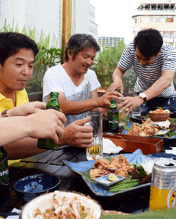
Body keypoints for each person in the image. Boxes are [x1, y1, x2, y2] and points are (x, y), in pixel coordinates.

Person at [0, 32, 93, 160]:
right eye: (19, 65)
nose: (26, 72)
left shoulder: (21, 92)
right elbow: (5, 148)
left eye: (31, 66)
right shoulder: (54, 74)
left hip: (29, 164)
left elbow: (25, 137)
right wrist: (60, 137)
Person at [43, 34, 121, 126]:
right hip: (58, 135)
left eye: (92, 58)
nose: (89, 62)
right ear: (70, 53)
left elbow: (93, 108)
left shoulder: (90, 75)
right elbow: (61, 106)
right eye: (85, 57)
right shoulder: (53, 74)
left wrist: (105, 110)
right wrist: (99, 101)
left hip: (84, 133)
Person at [107, 28, 176, 116]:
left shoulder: (169, 52)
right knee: (138, 126)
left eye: (147, 59)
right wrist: (117, 80)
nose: (141, 63)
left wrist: (141, 98)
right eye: (138, 57)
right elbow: (119, 70)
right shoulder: (131, 48)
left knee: (168, 127)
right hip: (141, 94)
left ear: (158, 52)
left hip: (166, 98)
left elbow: (166, 80)